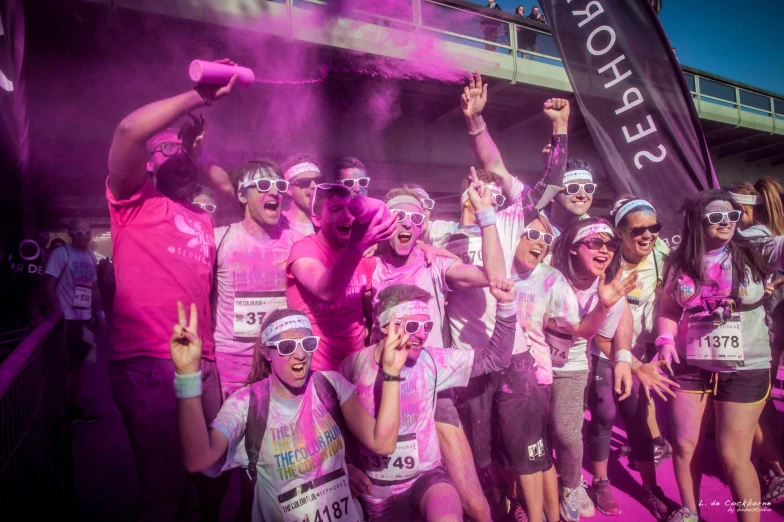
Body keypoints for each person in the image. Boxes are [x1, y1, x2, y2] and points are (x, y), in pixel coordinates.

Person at [106, 71, 237, 520]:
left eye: (179, 149)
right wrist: (195, 97)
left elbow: (240, 197)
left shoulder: (200, 219)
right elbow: (128, 131)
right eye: (164, 148)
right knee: (165, 488)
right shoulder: (132, 202)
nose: (175, 154)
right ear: (146, 163)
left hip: (203, 362)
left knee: (214, 472)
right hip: (149, 360)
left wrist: (199, 154)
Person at [172, 302, 409, 522]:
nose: (300, 354)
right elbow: (198, 459)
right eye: (287, 347)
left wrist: (391, 371)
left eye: (307, 344)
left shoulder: (329, 385)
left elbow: (383, 443)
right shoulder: (247, 405)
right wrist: (187, 376)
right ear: (267, 353)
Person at [366, 180, 505, 522]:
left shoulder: (434, 265)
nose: (407, 225)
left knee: (473, 504)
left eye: (415, 219)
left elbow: (494, 276)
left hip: (434, 392)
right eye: (398, 216)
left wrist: (486, 215)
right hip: (382, 391)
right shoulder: (369, 268)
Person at [339, 279, 518, 521]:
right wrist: (347, 468)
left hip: (427, 479)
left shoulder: (431, 361)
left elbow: (495, 359)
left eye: (427, 326)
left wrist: (507, 306)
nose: (422, 335)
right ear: (385, 325)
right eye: (413, 326)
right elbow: (335, 431)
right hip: (377, 494)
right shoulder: (353, 367)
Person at [656, 190, 783, 522]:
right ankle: (690, 511)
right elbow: (668, 307)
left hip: (745, 367)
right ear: (697, 223)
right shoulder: (680, 262)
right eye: (715, 217)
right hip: (691, 365)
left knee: (733, 456)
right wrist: (665, 340)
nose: (726, 222)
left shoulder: (755, 252)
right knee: (684, 446)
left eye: (732, 216)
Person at [286, 183, 397, 371]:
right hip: (316, 372)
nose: (347, 215)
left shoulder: (363, 256)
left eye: (350, 209)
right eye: (336, 209)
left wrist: (425, 247)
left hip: (356, 370)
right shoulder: (304, 249)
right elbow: (326, 291)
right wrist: (357, 247)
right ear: (317, 219)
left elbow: (372, 309)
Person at [212, 159, 295, 400]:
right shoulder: (220, 239)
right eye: (262, 185)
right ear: (241, 195)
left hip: (280, 363)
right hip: (230, 370)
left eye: (278, 185)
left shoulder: (296, 241)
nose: (274, 192)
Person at [729, 179, 784, 504]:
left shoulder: (750, 239)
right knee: (764, 402)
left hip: (760, 331)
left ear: (742, 210)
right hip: (769, 326)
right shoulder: (768, 236)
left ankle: (777, 470)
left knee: (759, 402)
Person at [611, 196, 674, 469]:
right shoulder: (610, 257)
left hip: (653, 338)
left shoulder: (666, 259)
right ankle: (651, 440)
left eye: (654, 228)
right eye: (637, 230)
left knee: (640, 391)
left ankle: (655, 442)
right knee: (635, 392)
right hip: (624, 337)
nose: (647, 235)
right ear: (621, 232)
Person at [44, 218, 107, 423]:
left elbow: (94, 288)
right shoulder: (61, 254)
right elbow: (49, 285)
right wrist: (58, 315)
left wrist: (100, 315)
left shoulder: (90, 256)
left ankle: (74, 407)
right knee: (67, 365)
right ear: (70, 234)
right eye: (79, 234)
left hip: (85, 319)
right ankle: (63, 410)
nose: (84, 237)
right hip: (68, 319)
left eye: (87, 233)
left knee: (79, 363)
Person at [280, 154, 323, 242]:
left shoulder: (329, 224)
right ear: (288, 189)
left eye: (318, 180)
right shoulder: (277, 224)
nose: (314, 186)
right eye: (304, 182)